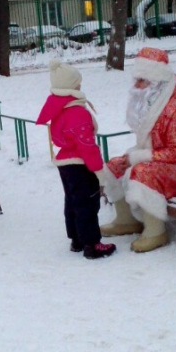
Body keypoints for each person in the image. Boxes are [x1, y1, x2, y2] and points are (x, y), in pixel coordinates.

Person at [101, 47, 176, 253]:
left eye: (142, 81)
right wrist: (130, 157)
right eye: (137, 80)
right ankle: (126, 220)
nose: (137, 86)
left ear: (156, 82)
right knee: (115, 165)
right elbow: (152, 144)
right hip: (166, 160)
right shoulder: (154, 102)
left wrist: (138, 157)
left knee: (142, 171)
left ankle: (155, 231)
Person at [36, 59, 116, 259]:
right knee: (88, 204)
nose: (80, 85)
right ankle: (92, 244)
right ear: (71, 86)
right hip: (80, 164)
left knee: (72, 201)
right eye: (77, 83)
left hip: (65, 163)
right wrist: (98, 170)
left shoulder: (59, 107)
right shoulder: (77, 112)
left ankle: (77, 239)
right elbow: (87, 146)